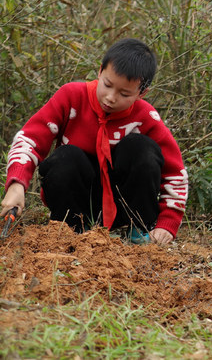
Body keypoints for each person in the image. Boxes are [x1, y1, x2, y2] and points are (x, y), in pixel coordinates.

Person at [1, 39, 188, 245]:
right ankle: (71, 232)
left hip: (121, 206)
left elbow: (175, 173)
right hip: (76, 202)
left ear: (141, 93)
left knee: (141, 148)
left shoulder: (146, 117)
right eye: (107, 85)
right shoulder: (71, 96)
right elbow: (30, 139)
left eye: (124, 94)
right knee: (66, 157)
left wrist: (168, 222)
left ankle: (139, 232)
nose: (110, 97)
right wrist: (17, 184)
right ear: (100, 71)